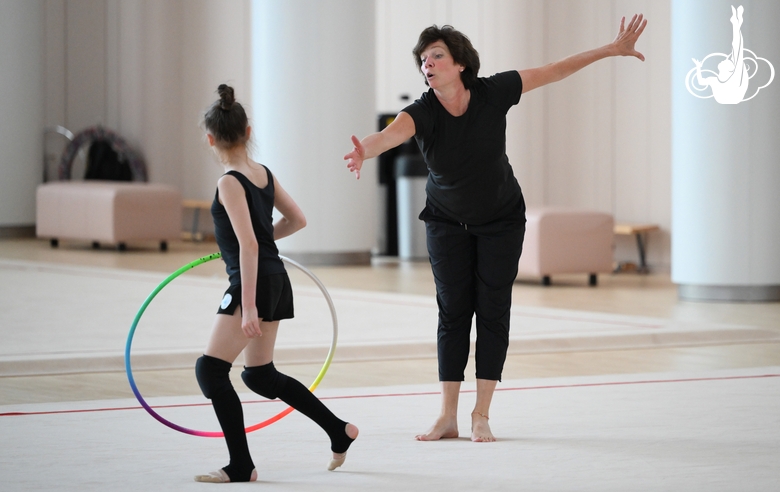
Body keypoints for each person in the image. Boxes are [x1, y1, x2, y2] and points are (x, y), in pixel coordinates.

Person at [344, 16, 646, 443]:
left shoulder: (494, 91)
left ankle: (480, 413)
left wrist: (609, 49)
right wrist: (364, 152)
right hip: (447, 222)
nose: (427, 64)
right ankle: (447, 415)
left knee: (492, 310)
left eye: (437, 56)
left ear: (460, 64)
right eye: (423, 59)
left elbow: (554, 69)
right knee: (452, 313)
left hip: (501, 220)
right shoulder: (421, 112)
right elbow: (390, 135)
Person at [195, 84, 358, 483]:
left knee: (211, 371)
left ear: (210, 139)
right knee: (259, 375)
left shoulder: (229, 182)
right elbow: (297, 219)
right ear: (248, 132)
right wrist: (264, 245)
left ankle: (241, 465)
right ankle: (338, 430)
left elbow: (249, 244)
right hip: (275, 278)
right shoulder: (263, 174)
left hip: (253, 283)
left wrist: (247, 306)